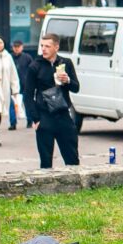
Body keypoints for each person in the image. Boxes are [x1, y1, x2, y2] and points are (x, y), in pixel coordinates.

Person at [24, 33, 81, 169]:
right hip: (44, 117)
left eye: (47, 46)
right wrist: (35, 119)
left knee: (72, 158)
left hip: (63, 115)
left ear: (56, 47)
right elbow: (28, 95)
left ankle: (76, 188)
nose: (43, 49)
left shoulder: (65, 63)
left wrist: (67, 80)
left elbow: (76, 87)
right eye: (42, 46)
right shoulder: (35, 66)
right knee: (46, 162)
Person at [9, 40, 35, 130]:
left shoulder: (27, 57)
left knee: (27, 103)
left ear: (22, 47)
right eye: (15, 47)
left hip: (25, 84)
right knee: (12, 104)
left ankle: (29, 121)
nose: (16, 49)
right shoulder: (9, 57)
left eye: (18, 47)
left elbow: (32, 70)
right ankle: (13, 123)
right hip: (12, 84)